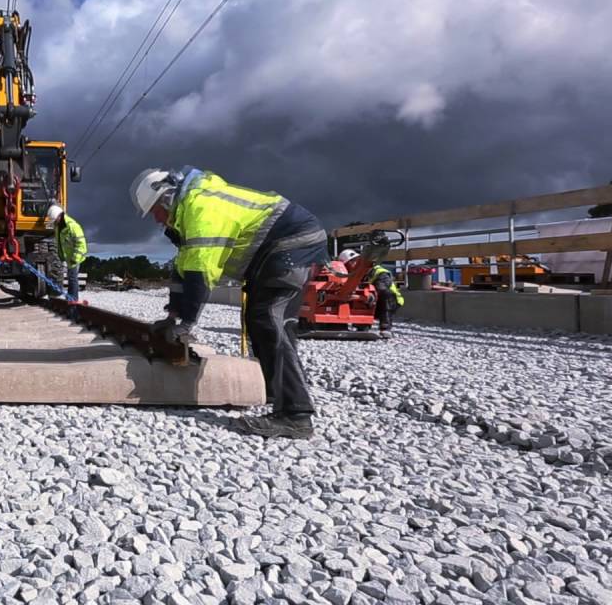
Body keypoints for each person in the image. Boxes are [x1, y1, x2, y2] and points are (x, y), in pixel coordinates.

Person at [130, 166, 328, 439]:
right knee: (260, 321)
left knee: (271, 322)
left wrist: (186, 323)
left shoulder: (201, 209)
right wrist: (173, 314)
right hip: (277, 249)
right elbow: (184, 267)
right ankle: (274, 392)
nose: (156, 220)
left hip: (291, 243)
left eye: (155, 212)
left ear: (166, 199)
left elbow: (201, 271)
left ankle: (296, 415)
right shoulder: (187, 213)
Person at [338, 249, 404, 337]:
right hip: (370, 302)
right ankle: (361, 326)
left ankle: (385, 328)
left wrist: (365, 296)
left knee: (386, 295)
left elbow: (381, 289)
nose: (352, 266)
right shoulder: (353, 276)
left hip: (388, 303)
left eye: (354, 262)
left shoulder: (380, 272)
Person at [46, 205, 87, 301]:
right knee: (70, 278)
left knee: (72, 278)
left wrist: (74, 259)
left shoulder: (73, 226)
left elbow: (82, 245)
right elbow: (60, 244)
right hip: (67, 258)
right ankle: (70, 298)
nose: (54, 222)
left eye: (55, 220)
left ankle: (73, 300)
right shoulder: (58, 228)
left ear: (59, 216)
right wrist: (60, 257)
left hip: (75, 257)